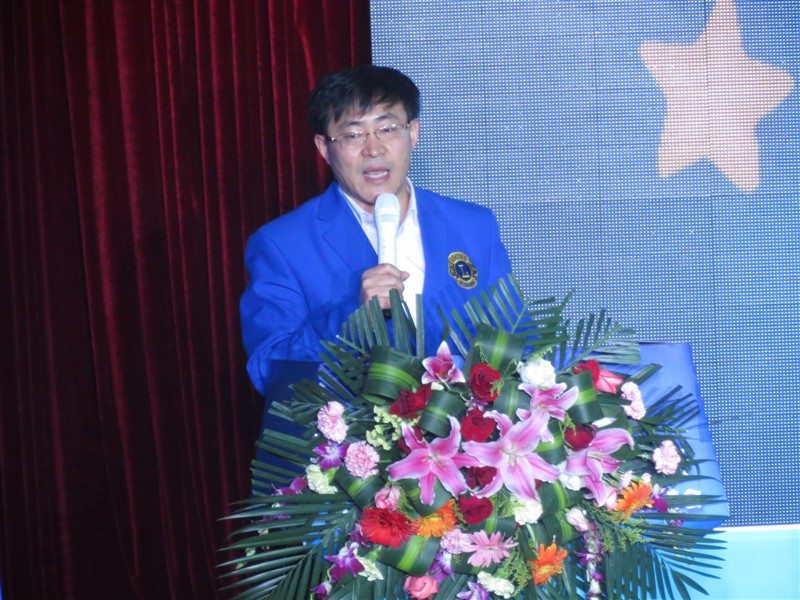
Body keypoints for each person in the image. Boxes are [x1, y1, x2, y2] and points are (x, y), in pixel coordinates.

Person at [240, 65, 512, 396]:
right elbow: (269, 371)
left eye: (387, 129)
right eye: (353, 135)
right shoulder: (281, 244)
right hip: (349, 428)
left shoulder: (474, 226)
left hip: (466, 427)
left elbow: (514, 336)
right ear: (324, 148)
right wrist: (355, 319)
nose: (373, 149)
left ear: (413, 133)